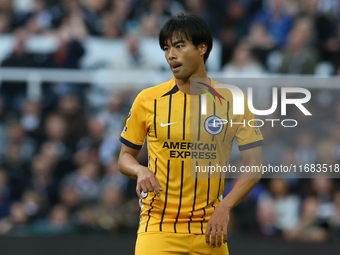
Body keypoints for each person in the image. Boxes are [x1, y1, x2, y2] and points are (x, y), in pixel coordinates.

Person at [118, 13, 264, 255]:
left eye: (179, 46)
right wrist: (139, 169)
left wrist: (224, 208)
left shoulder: (232, 100)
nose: (170, 55)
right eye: (166, 48)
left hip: (210, 230)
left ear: (202, 48)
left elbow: (255, 166)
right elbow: (125, 157)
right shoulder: (148, 99)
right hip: (158, 228)